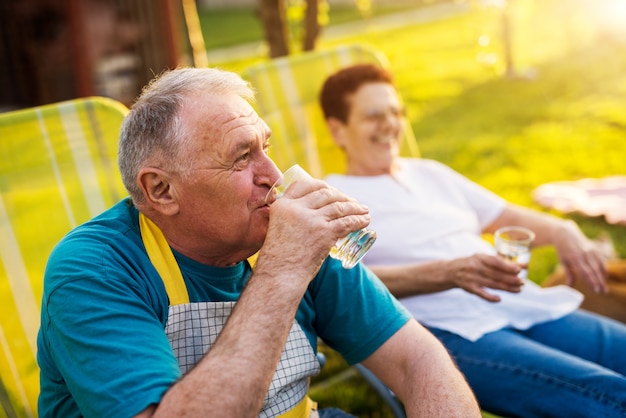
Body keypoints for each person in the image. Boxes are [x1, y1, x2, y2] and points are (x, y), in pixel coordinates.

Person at [36, 67, 481, 418]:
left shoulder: (289, 229)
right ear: (161, 191)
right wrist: (283, 270)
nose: (273, 175)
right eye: (242, 157)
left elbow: (417, 361)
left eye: (266, 146)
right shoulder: (94, 270)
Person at [320, 63, 626, 418]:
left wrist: (563, 231)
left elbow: (507, 217)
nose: (389, 124)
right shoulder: (334, 199)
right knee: (610, 397)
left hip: (522, 304)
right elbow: (338, 285)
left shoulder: (429, 172)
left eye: (395, 112)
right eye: (374, 116)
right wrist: (448, 272)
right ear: (337, 130)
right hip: (448, 335)